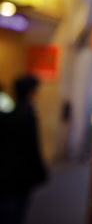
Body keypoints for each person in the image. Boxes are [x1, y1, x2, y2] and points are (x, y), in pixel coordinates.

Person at [0, 74, 48, 224]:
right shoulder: (26, 115)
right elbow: (32, 147)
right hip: (20, 173)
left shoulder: (10, 112)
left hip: (7, 171)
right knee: (14, 210)